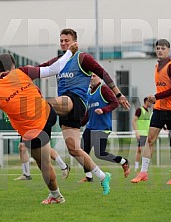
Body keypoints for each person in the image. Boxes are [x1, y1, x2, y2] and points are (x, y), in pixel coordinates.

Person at [38, 28, 130, 195]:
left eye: (67, 40)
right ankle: (103, 176)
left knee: (45, 105)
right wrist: (18, 74)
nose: (64, 43)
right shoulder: (58, 60)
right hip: (66, 108)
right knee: (74, 150)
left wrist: (118, 94)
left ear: (75, 42)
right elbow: (39, 69)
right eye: (61, 41)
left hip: (76, 101)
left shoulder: (83, 58)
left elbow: (103, 73)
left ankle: (43, 140)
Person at [0, 42, 78, 204]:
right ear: (14, 66)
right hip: (49, 113)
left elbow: (6, 104)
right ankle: (77, 107)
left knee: (43, 164)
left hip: (33, 129)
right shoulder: (23, 72)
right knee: (58, 105)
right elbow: (53, 69)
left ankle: (56, 195)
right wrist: (70, 53)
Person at [131, 39, 171, 185]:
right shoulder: (156, 66)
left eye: (163, 48)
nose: (160, 50)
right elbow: (162, 90)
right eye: (158, 48)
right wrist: (156, 99)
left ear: (168, 50)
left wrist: (156, 96)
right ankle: (143, 172)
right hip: (160, 109)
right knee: (149, 139)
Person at [78, 73, 130, 182]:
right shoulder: (88, 92)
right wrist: (80, 123)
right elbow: (89, 112)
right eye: (90, 76)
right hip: (90, 127)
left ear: (100, 78)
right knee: (82, 152)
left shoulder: (104, 88)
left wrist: (103, 110)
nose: (91, 78)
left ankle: (123, 161)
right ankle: (89, 177)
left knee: (100, 154)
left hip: (102, 127)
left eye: (94, 76)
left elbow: (115, 103)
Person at [131, 97, 153, 172]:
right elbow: (133, 121)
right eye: (150, 102)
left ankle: (143, 166)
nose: (151, 104)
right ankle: (137, 166)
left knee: (145, 150)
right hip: (141, 133)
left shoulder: (148, 111)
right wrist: (136, 131)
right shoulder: (139, 110)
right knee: (141, 149)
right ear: (146, 101)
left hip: (147, 134)